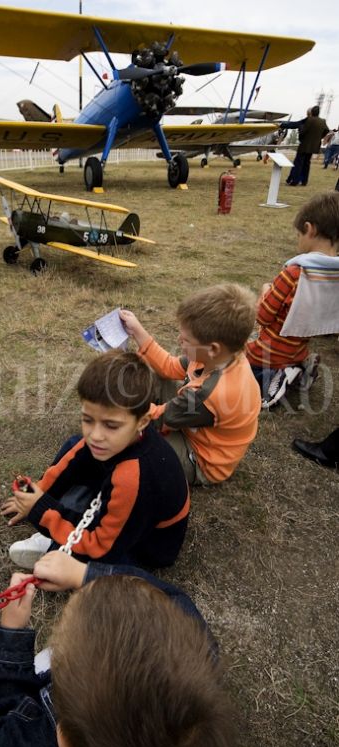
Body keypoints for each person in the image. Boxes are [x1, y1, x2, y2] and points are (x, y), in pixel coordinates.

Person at [0, 552, 235, 747]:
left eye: (60, 644)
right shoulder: (199, 652)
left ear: (64, 739)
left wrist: (10, 636)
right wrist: (83, 573)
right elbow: (172, 597)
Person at [1, 350, 190, 570]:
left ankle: (56, 546)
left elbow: (102, 547)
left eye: (111, 425)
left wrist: (41, 510)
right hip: (125, 512)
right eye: (88, 420)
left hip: (144, 546)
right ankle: (59, 535)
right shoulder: (122, 437)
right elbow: (70, 464)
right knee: (76, 445)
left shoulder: (134, 477)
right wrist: (37, 492)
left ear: (142, 421)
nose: (95, 435)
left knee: (74, 566)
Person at [119, 284, 261, 485]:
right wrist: (137, 331)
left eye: (186, 339)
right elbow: (169, 367)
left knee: (136, 445)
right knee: (150, 376)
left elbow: (161, 418)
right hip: (192, 423)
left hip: (200, 459)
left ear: (213, 348)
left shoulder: (210, 393)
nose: (179, 340)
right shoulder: (221, 356)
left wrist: (118, 410)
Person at [246, 192, 339, 407]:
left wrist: (265, 291)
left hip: (271, 350)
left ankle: (281, 375)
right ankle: (300, 366)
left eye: (299, 235)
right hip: (299, 346)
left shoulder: (295, 273)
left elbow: (263, 317)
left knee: (236, 363)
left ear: (309, 229)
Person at [280, 105, 329, 186]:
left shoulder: (309, 120)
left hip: (304, 145)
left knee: (298, 163)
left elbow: (302, 131)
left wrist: (300, 137)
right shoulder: (322, 121)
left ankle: (294, 181)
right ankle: (304, 181)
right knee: (307, 163)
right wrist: (319, 137)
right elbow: (326, 130)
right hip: (313, 147)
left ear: (311, 112)